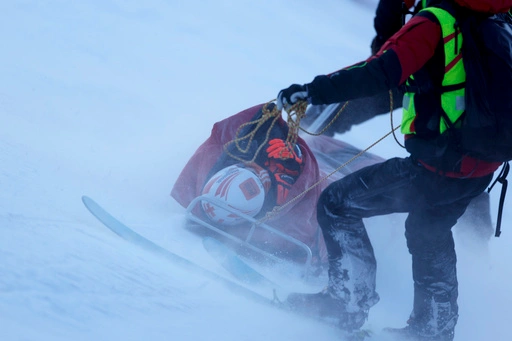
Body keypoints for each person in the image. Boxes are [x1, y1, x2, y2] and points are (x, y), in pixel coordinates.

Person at [275, 0, 511, 339]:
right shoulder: (501, 22)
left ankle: (346, 304)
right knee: (428, 229)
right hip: (480, 170)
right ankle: (432, 329)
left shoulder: (434, 24)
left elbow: (378, 73)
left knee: (337, 204)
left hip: (436, 167)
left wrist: (313, 91)